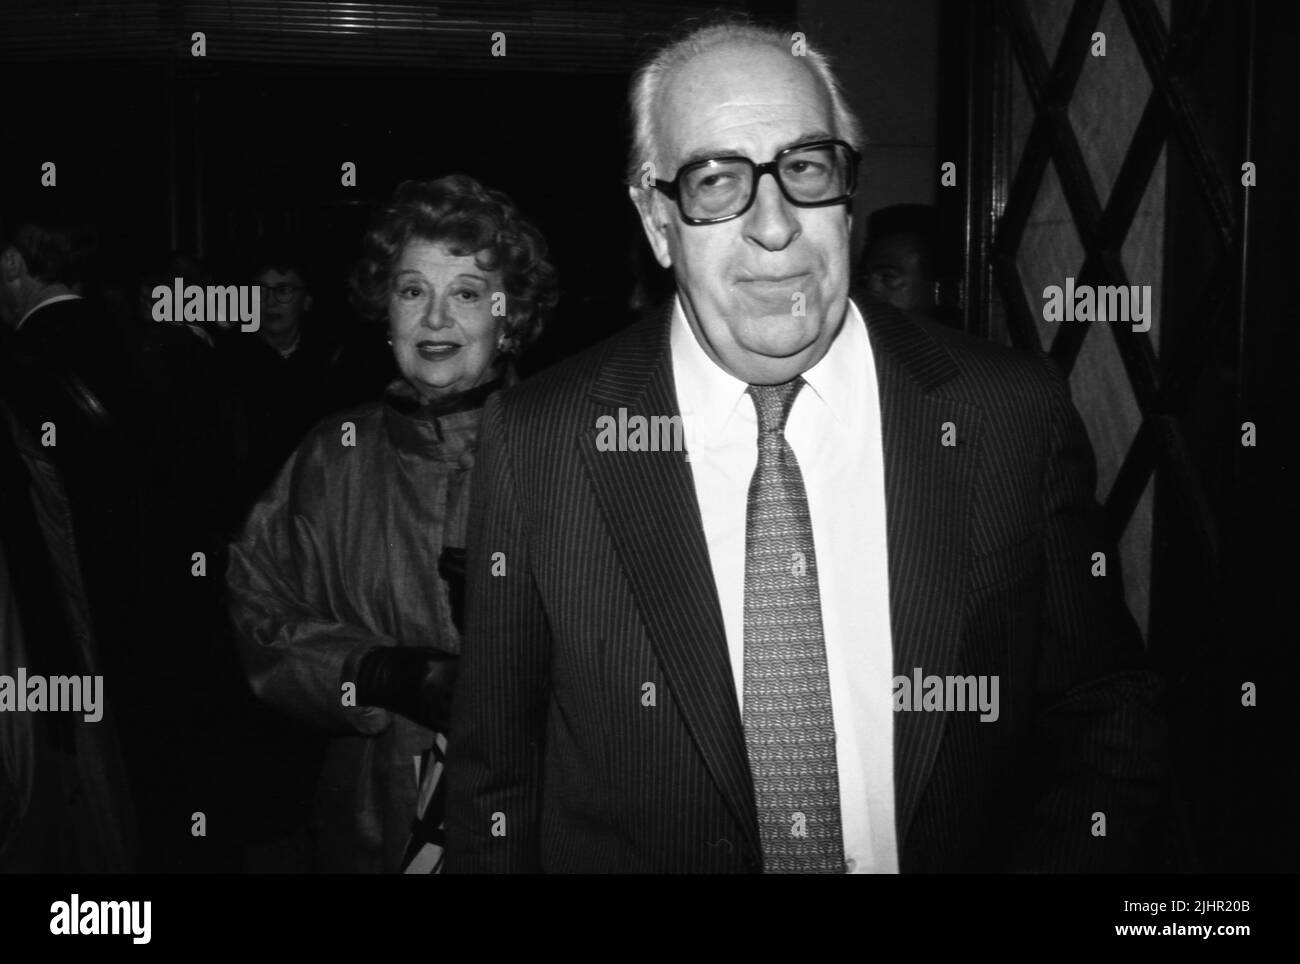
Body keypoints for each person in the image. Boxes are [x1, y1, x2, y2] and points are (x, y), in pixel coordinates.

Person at [444, 20, 1167, 874]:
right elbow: (497, 781)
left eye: (806, 167)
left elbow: (1102, 709)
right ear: (657, 219)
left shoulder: (1008, 410)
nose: (776, 225)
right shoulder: (541, 442)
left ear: (847, 191)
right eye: (717, 183)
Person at [226, 174, 556, 873]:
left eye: (466, 293)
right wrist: (378, 673)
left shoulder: (566, 452)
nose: (436, 319)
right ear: (386, 310)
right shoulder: (331, 453)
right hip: (369, 817)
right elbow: (257, 604)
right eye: (413, 291)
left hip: (537, 822)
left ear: (509, 315)